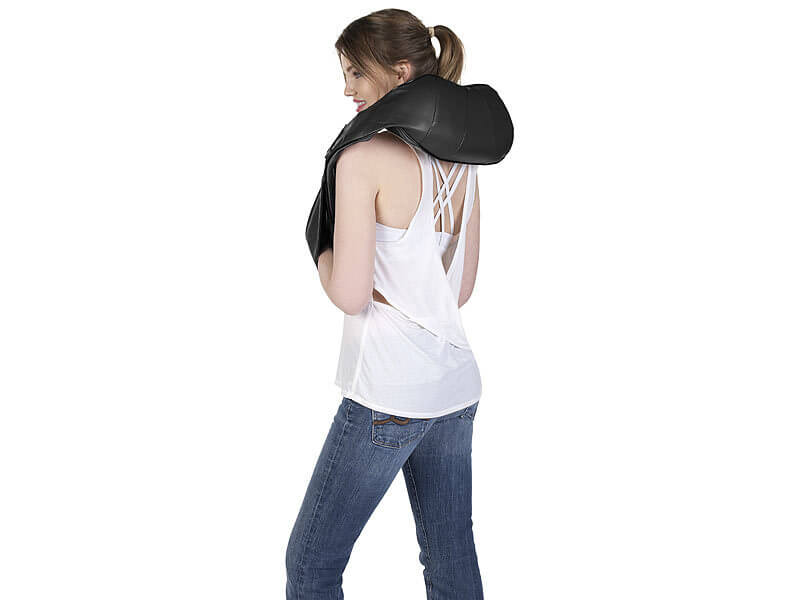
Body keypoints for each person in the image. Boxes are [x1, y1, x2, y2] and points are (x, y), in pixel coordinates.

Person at [286, 9, 487, 599]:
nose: (347, 89)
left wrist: (320, 248)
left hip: (388, 396)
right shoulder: (463, 160)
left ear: (399, 73)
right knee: (450, 558)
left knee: (311, 563)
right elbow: (459, 288)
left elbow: (349, 296)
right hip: (454, 389)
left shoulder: (362, 159)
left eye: (355, 73)